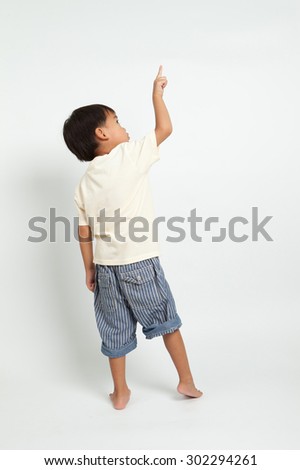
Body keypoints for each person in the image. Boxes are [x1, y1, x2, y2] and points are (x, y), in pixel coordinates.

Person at [63, 65, 203, 410]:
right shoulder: (127, 156)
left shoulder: (83, 184)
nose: (124, 127)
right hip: (139, 262)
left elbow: (84, 233)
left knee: (114, 330)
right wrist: (156, 94)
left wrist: (89, 269)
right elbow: (164, 128)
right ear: (103, 133)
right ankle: (186, 381)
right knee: (166, 320)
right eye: (117, 121)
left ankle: (121, 392)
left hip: (107, 270)